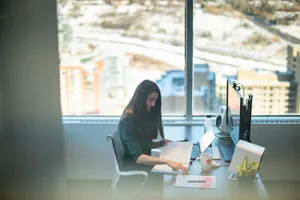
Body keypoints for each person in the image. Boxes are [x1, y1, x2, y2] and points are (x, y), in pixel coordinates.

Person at [118, 79, 188, 174]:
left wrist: (161, 143)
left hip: (144, 166)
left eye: (155, 100)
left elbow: (142, 144)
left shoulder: (139, 114)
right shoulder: (127, 122)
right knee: (176, 175)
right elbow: (139, 157)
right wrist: (166, 161)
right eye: (150, 100)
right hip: (136, 169)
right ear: (140, 98)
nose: (154, 104)